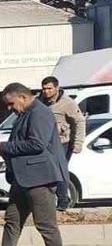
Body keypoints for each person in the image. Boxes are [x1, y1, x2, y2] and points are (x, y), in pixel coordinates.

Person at [0, 83, 67, 246]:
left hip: (39, 179)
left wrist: (3, 147)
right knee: (12, 220)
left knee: (45, 224)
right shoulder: (25, 114)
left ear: (23, 98)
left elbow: (36, 144)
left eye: (11, 104)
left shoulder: (40, 113)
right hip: (22, 179)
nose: (10, 108)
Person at [40, 76, 85, 211]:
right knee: (45, 172)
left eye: (49, 88)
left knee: (60, 171)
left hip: (62, 142)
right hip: (44, 143)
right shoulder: (39, 101)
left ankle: (63, 201)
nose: (46, 91)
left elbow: (79, 122)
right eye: (44, 89)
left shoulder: (67, 103)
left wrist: (78, 143)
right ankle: (47, 201)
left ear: (57, 88)